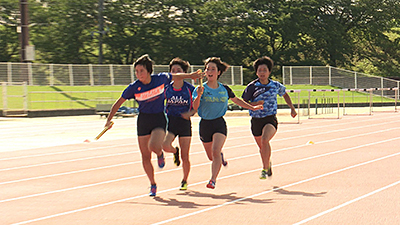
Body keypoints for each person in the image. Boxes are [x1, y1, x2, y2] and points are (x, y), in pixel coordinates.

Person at [104, 54, 202, 197]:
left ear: (149, 71)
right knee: (145, 156)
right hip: (143, 120)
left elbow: (176, 76)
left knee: (154, 146)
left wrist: (191, 75)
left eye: (141, 71)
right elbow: (118, 103)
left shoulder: (160, 79)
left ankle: (160, 153)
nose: (139, 74)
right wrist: (108, 120)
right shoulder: (134, 87)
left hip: (158, 119)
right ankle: (153, 184)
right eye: (136, 71)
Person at [193, 57, 263, 189]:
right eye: (208, 69)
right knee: (211, 156)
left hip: (219, 123)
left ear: (218, 72)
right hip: (205, 124)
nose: (210, 71)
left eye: (213, 69)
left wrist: (252, 107)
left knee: (215, 150)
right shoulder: (200, 89)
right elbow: (195, 107)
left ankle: (213, 180)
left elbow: (236, 100)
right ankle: (220, 156)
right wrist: (198, 96)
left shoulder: (224, 89)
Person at [242, 56, 297, 179]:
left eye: (264, 70)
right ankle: (268, 164)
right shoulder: (252, 87)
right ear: (256, 72)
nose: (262, 73)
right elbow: (243, 102)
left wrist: (292, 108)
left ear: (269, 72)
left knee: (265, 140)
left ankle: (264, 168)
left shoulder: (275, 85)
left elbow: (285, 95)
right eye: (259, 70)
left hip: (270, 118)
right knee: (262, 147)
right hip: (256, 119)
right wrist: (255, 104)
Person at [162, 57, 196, 191]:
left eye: (179, 70)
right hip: (171, 121)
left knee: (185, 156)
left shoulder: (189, 89)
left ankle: (185, 180)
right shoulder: (166, 88)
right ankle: (175, 151)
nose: (176, 73)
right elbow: (159, 102)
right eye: (173, 70)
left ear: (184, 73)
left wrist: (191, 113)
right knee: (165, 146)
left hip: (184, 123)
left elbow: (197, 105)